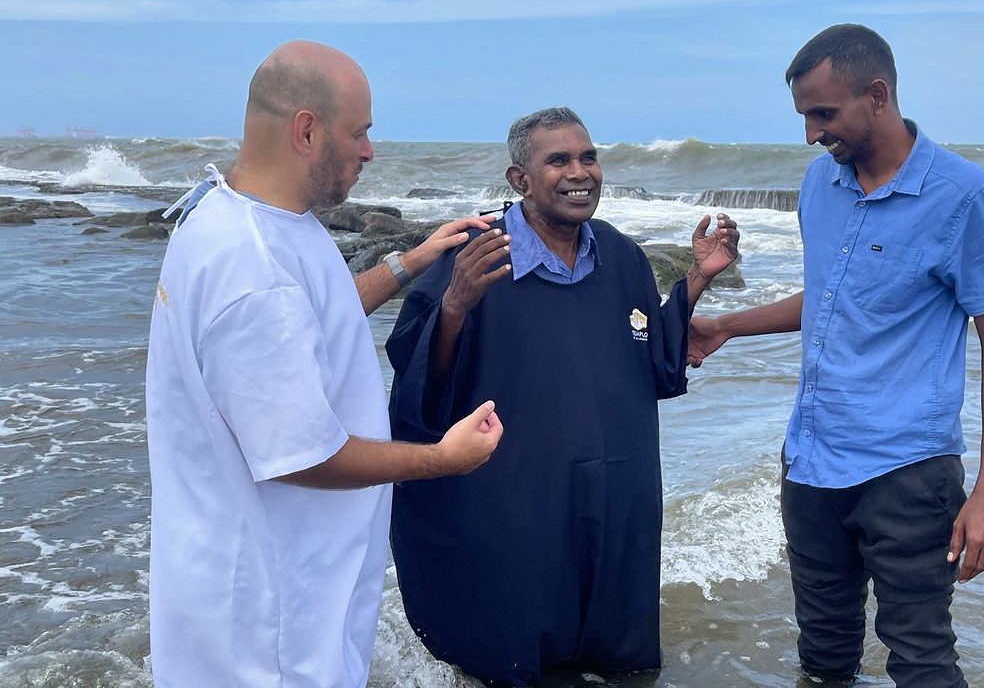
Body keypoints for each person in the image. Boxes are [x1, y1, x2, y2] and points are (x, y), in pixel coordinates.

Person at [145, 40, 504, 688]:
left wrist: (411, 261)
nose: (370, 151)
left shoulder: (233, 212)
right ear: (307, 131)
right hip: (272, 629)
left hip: (236, 583)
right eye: (360, 133)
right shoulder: (252, 272)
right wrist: (439, 460)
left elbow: (308, 321)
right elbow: (305, 455)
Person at [690, 24, 984, 687]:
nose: (813, 134)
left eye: (824, 113)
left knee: (921, 659)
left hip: (908, 475)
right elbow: (830, 297)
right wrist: (728, 325)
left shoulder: (962, 195)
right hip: (812, 464)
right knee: (823, 661)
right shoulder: (821, 186)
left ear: (877, 94)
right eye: (804, 117)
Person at [385, 106, 740, 685]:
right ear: (519, 180)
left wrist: (696, 281)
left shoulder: (620, 253)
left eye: (589, 157)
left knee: (617, 654)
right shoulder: (475, 256)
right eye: (559, 160)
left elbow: (651, 360)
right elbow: (419, 388)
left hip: (615, 488)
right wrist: (455, 304)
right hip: (519, 492)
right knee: (517, 651)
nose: (581, 172)